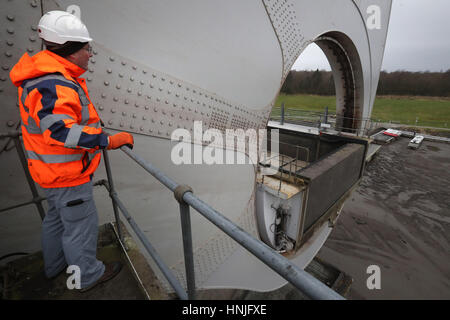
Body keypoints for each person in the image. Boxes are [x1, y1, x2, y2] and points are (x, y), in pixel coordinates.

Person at [9, 10, 134, 291]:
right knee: (79, 229)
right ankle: (87, 276)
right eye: (87, 49)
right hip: (68, 176)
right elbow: (61, 132)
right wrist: (109, 140)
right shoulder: (55, 83)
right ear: (70, 51)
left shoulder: (42, 74)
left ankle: (54, 267)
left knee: (55, 220)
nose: (90, 54)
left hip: (49, 173)